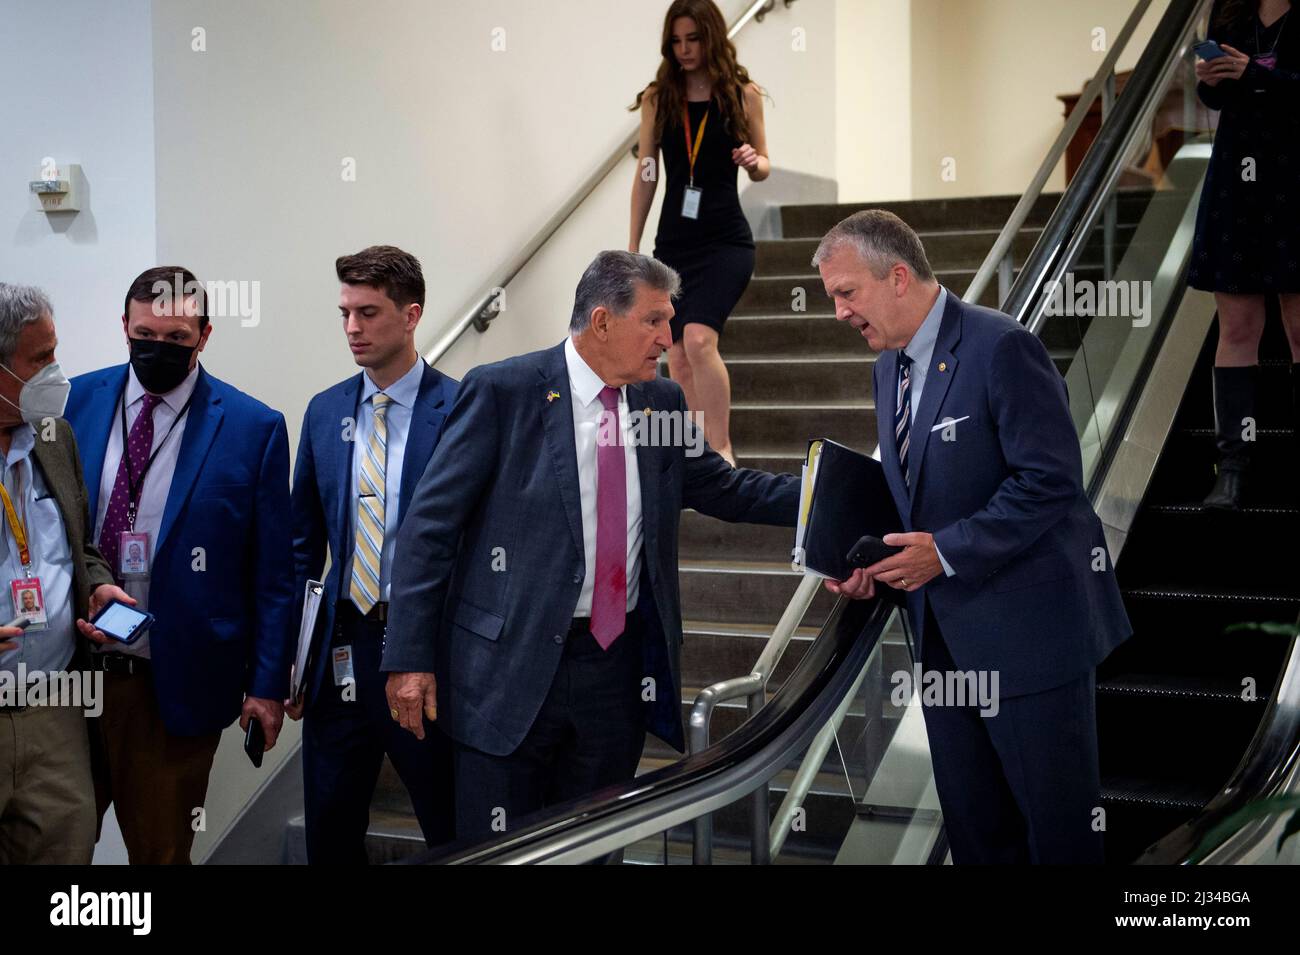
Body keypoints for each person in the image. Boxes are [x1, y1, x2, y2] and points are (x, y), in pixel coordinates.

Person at [382, 251, 798, 844]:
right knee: (500, 851)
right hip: (507, 672)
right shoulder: (506, 392)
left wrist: (831, 494)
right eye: (654, 321)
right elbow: (429, 530)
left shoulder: (660, 402)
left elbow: (726, 488)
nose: (667, 337)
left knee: (595, 846)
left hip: (615, 672)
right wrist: (409, 656)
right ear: (602, 322)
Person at [814, 211, 1132, 864]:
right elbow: (917, 491)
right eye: (831, 298)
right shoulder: (887, 366)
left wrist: (946, 552)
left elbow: (1049, 481)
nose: (840, 313)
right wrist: (872, 560)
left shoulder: (1000, 345)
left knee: (1062, 837)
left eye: (847, 293)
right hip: (943, 642)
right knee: (979, 837)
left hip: (1031, 638)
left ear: (897, 276)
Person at [64, 267, 295, 864]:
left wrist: (267, 687)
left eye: (175, 340)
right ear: (124, 326)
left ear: (205, 335)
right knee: (50, 849)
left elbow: (274, 576)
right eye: (144, 335)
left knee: (161, 853)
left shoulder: (254, 428)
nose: (156, 350)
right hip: (68, 678)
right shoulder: (74, 403)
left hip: (174, 687)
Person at [287, 246, 457, 863]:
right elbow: (302, 547)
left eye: (369, 312)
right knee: (330, 830)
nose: (352, 329)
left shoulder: (460, 409)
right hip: (340, 651)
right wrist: (291, 661)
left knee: (450, 824)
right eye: (344, 313)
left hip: (425, 650)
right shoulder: (326, 409)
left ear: (412, 316)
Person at [0, 284, 129, 864]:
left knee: (66, 856)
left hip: (54, 704)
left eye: (55, 352)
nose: (56, 372)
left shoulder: (56, 438)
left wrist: (98, 581)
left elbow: (80, 544)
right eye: (39, 359)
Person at [629, 0, 769, 466]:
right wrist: (633, 246)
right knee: (678, 355)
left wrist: (754, 161)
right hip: (674, 244)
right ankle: (698, 453)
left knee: (699, 340)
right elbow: (648, 171)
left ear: (712, 38)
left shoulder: (741, 94)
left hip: (727, 240)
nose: (685, 49)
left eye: (693, 39)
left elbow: (765, 164)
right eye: (676, 40)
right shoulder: (659, 97)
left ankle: (722, 445)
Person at [1189, 0, 1300, 508]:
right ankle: (1232, 466)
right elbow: (1218, 101)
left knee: (1298, 327)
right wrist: (1211, 80)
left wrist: (1255, 72)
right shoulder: (1229, 10)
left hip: (1294, 177)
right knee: (1236, 329)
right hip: (1237, 179)